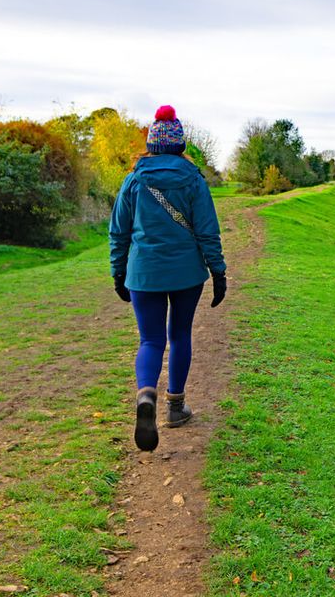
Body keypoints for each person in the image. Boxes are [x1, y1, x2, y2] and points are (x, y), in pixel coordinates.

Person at [109, 105, 227, 452]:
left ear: (151, 144)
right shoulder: (193, 179)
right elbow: (207, 230)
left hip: (143, 273)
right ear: (180, 145)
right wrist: (218, 271)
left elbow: (119, 231)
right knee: (179, 335)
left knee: (150, 340)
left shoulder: (134, 180)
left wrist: (118, 271)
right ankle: (175, 408)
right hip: (187, 273)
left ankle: (146, 394)